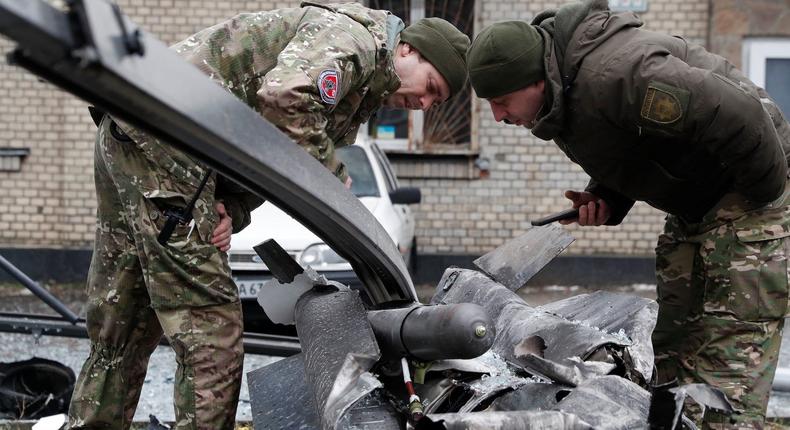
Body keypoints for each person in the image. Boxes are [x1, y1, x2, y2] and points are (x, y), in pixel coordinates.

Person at [68, 3, 469, 429]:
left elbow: (267, 149)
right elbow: (285, 97)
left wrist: (235, 208)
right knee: (212, 335)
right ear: (407, 50)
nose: (423, 104)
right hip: (167, 145)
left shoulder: (360, 77)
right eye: (430, 87)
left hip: (137, 131)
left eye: (434, 101)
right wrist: (329, 174)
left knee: (123, 323)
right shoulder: (354, 41)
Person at [466, 0, 790, 427]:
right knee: (673, 356)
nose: (499, 116)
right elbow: (637, 145)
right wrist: (608, 198)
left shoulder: (619, 75)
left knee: (728, 368)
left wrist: (760, 201)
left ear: (536, 80)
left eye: (503, 101)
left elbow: (739, 113)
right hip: (695, 207)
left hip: (748, 192)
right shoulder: (562, 96)